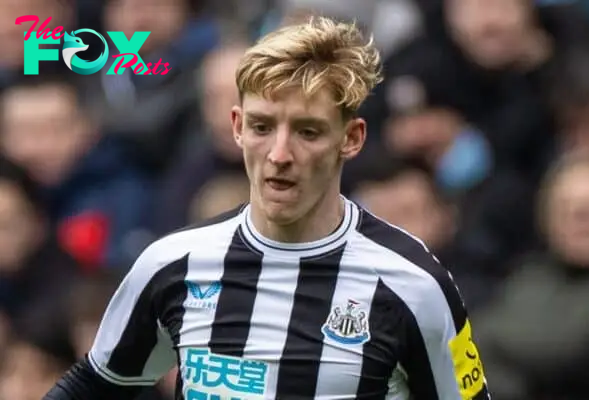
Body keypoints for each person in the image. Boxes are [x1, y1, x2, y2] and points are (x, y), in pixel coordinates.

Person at [43, 16, 491, 399]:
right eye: (261, 126)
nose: (279, 153)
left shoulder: (413, 284)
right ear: (236, 126)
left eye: (308, 132)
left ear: (351, 138)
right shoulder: (172, 264)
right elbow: (94, 384)